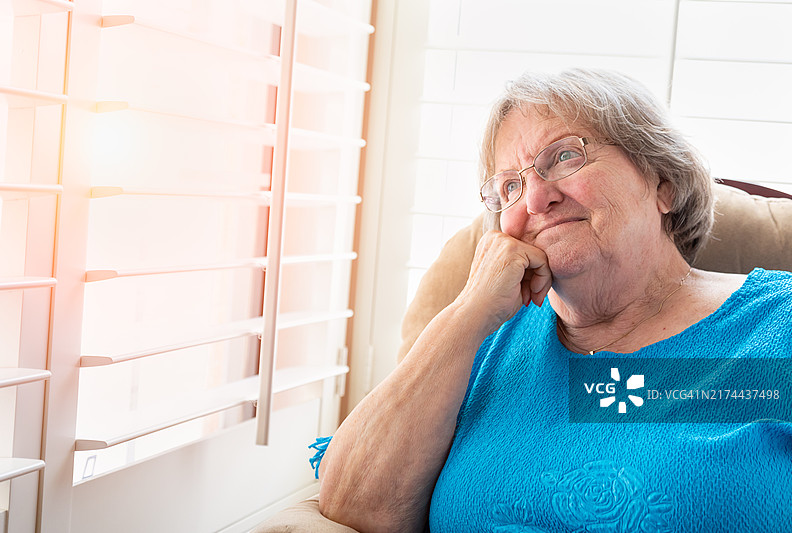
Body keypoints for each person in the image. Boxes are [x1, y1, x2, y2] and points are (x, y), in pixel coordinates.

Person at [313, 69, 792, 532]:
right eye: (510, 187)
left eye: (564, 157)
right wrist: (466, 313)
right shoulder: (477, 344)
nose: (536, 199)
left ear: (662, 182)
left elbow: (622, 398)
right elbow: (353, 508)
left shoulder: (776, 325)